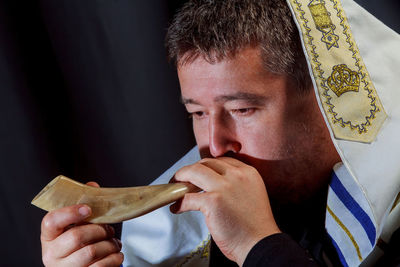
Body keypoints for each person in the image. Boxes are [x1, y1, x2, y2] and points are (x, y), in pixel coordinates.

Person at [39, 0, 400, 266]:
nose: (213, 145)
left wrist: (258, 245)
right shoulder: (186, 233)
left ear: (332, 105)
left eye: (242, 110)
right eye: (197, 112)